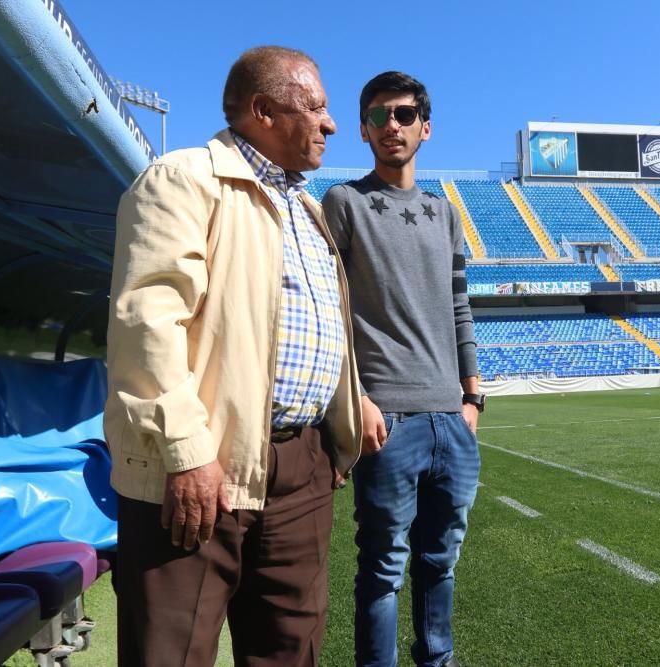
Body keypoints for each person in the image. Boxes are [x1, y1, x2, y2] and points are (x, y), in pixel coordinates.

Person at [105, 46, 362, 667]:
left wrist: (346, 415)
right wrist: (188, 452)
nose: (330, 123)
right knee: (172, 649)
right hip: (200, 464)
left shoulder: (306, 207)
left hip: (302, 462)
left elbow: (307, 327)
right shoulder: (183, 179)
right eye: (317, 106)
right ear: (262, 110)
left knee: (289, 647)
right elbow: (147, 321)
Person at [322, 71, 482, 667]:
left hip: (452, 420)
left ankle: (435, 660)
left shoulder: (445, 213)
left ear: (426, 127)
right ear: (363, 130)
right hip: (385, 417)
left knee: (441, 562)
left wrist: (472, 400)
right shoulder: (343, 202)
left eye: (405, 114)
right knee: (384, 569)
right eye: (378, 115)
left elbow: (460, 307)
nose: (393, 124)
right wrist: (355, 400)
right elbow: (328, 309)